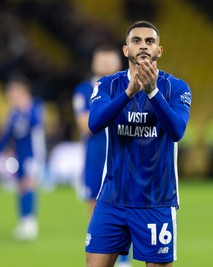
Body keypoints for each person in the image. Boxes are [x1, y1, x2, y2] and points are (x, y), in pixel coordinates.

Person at [85, 21, 191, 267]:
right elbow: (94, 124)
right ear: (125, 50)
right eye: (136, 41)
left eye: (149, 41)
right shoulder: (108, 85)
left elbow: (176, 131)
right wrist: (128, 93)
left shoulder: (176, 87)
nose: (143, 46)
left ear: (159, 51)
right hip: (113, 199)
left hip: (156, 201)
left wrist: (152, 92)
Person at [73, 45, 132, 267]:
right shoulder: (83, 89)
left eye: (110, 59)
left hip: (123, 157)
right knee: (95, 210)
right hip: (96, 158)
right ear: (93, 62)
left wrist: (102, 114)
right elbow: (87, 125)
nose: (106, 63)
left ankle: (124, 260)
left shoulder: (129, 86)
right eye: (102, 59)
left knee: (126, 207)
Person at [0, 75, 46, 240]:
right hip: (20, 155)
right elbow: (8, 133)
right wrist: (1, 149)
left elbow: (36, 125)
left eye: (13, 92)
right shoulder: (14, 112)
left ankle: (30, 224)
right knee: (20, 186)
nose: (10, 96)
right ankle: (24, 221)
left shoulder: (34, 107)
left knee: (28, 185)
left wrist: (25, 110)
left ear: (22, 91)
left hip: (33, 153)